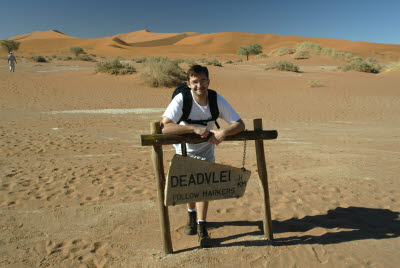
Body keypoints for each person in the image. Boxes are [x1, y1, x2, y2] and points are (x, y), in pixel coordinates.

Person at [161, 65, 245, 248]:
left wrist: (224, 132)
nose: (199, 85)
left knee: (204, 185)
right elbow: (166, 126)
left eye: (203, 81)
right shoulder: (181, 99)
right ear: (188, 83)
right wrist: (192, 128)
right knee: (190, 183)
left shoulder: (215, 99)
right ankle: (191, 215)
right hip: (183, 149)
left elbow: (239, 124)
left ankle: (201, 225)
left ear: (209, 81)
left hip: (206, 149)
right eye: (195, 82)